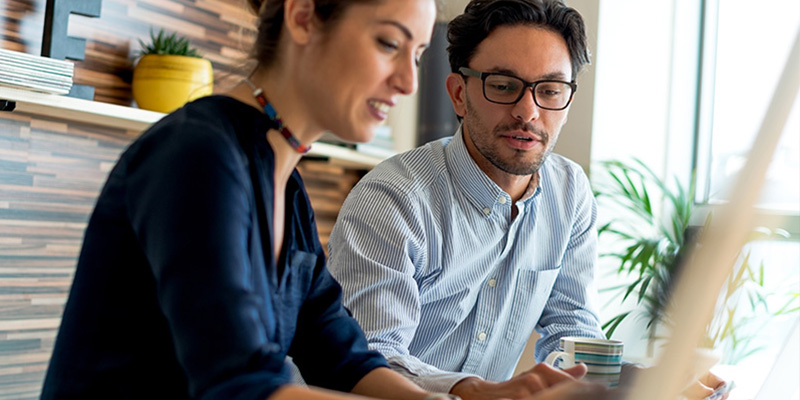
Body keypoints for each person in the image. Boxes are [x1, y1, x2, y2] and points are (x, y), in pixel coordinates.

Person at [37, 1, 468, 399]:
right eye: (389, 43)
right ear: (302, 17)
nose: (409, 82)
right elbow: (240, 384)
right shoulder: (198, 154)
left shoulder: (288, 188)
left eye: (416, 55)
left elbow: (340, 356)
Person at [327, 1, 726, 400]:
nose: (528, 112)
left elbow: (572, 334)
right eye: (503, 86)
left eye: (550, 90)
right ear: (459, 95)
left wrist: (654, 383)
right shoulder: (391, 201)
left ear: (567, 102)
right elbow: (368, 360)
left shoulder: (570, 193)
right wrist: (476, 392)